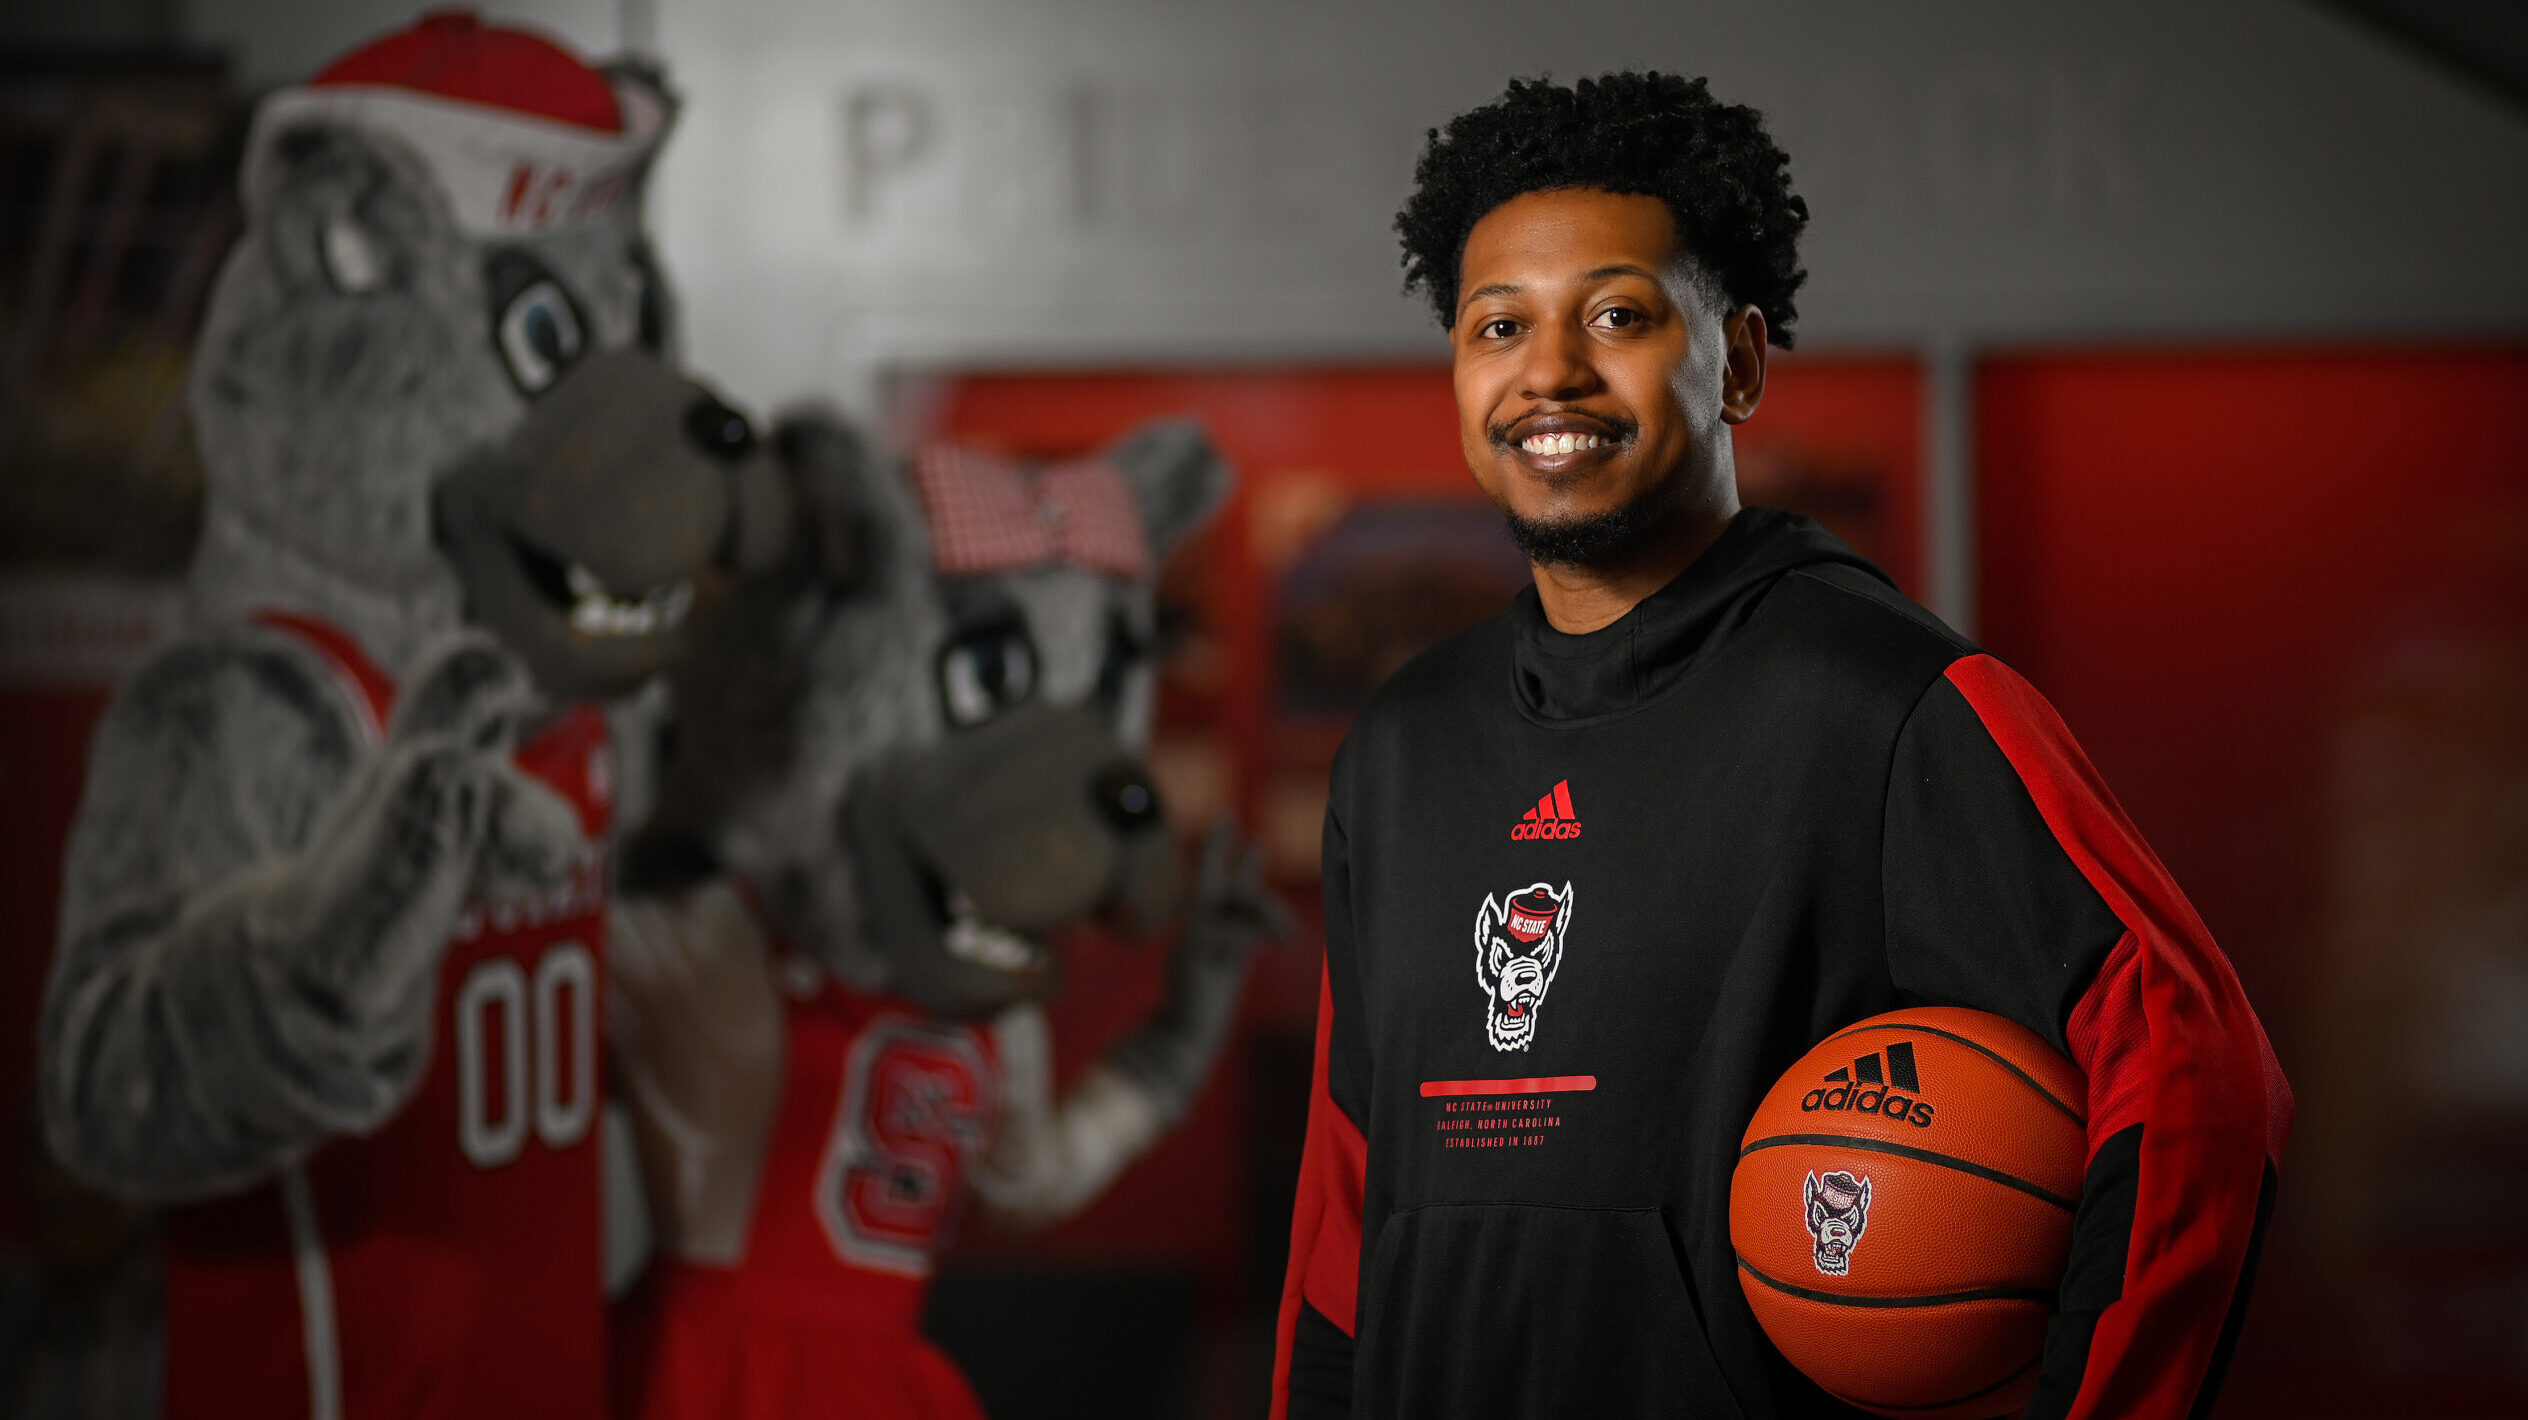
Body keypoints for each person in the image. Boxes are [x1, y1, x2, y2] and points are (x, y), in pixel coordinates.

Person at [1270, 73, 2291, 1419]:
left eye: (1619, 316)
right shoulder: (1403, 746)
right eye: (1498, 325)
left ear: (1739, 360)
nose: (1549, 372)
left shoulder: (1887, 702)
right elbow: (1346, 1210)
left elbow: (2196, 1068)